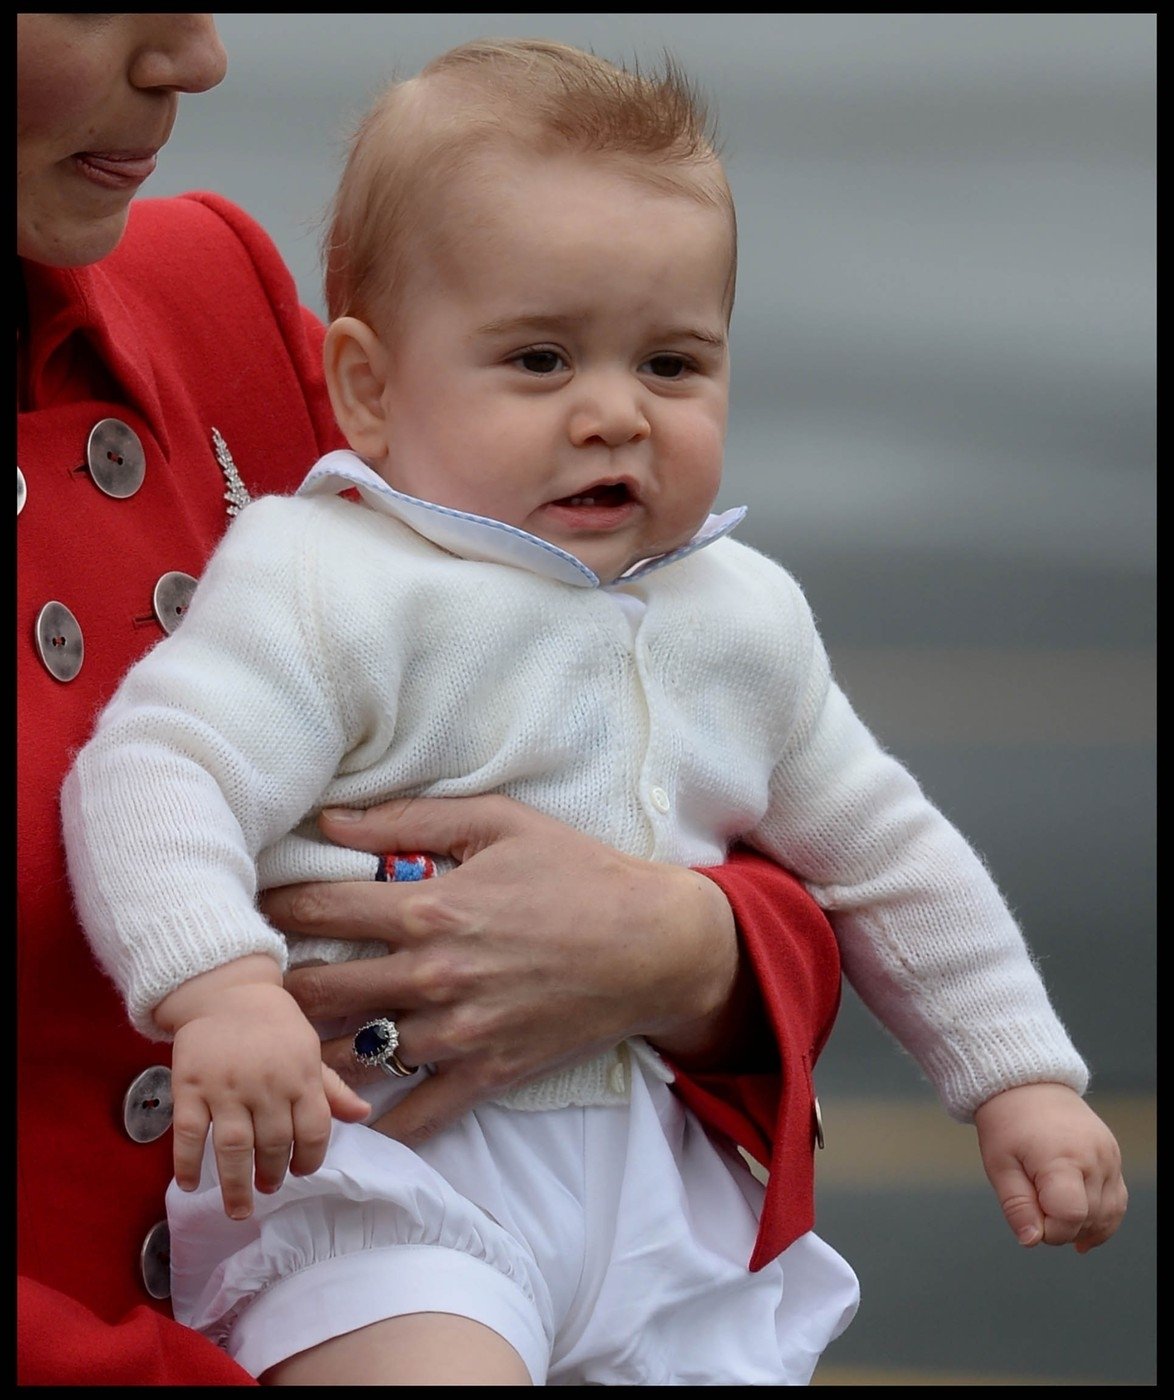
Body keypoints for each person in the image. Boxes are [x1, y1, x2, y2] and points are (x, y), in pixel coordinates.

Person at [58, 36, 1127, 1389]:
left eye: (672, 365)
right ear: (369, 389)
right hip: (388, 1183)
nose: (613, 413)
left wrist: (1016, 1078)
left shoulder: (740, 618)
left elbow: (887, 856)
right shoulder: (326, 577)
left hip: (655, 1192)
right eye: (541, 360)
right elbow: (156, 773)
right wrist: (218, 991)